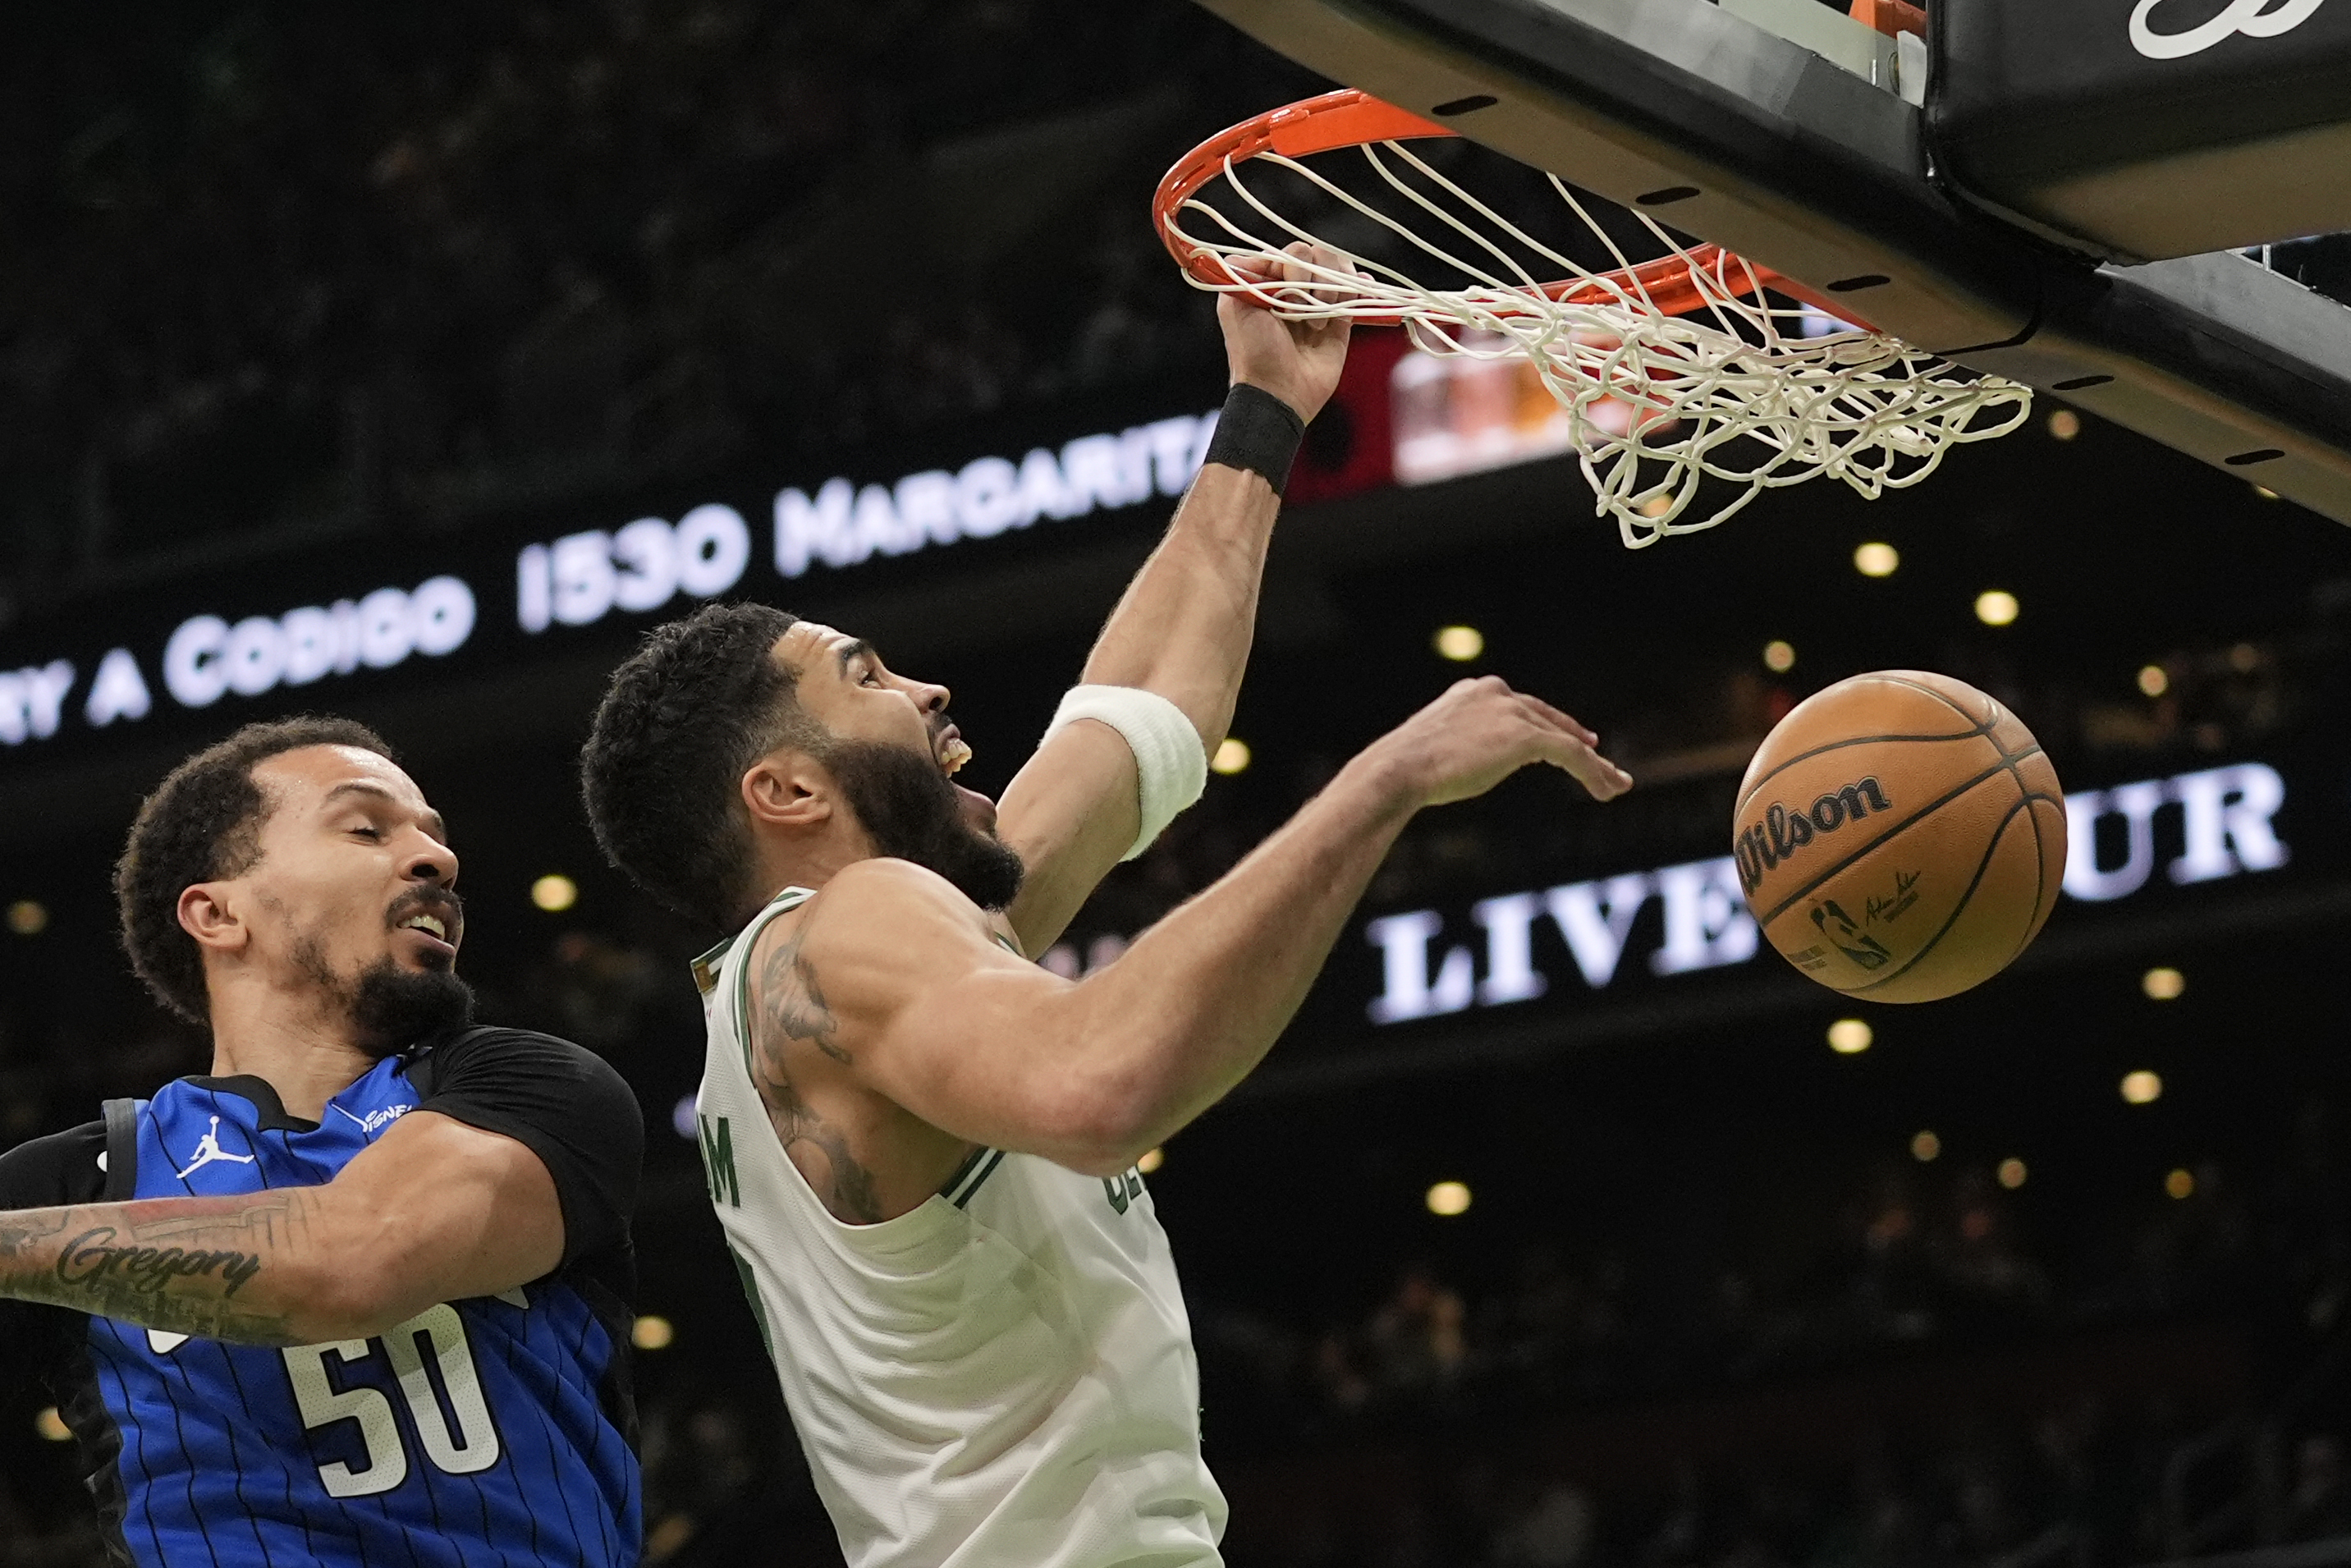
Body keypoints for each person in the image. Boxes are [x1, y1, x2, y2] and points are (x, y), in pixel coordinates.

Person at [579, 247, 1633, 1567]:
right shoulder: (853, 932)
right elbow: (1096, 1086)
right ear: (787, 787)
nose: (928, 691)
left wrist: (1263, 414)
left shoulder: (840, 976)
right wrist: (1385, 782)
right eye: (868, 675)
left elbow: (1142, 717)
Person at [0, 718, 645, 1567]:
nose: (436, 859)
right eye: (367, 827)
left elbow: (353, 1258)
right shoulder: (70, 1180)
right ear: (218, 911)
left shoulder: (536, 1088)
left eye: (435, 837)